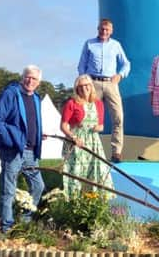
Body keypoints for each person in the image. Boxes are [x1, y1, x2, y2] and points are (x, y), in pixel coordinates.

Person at [0, 65, 46, 233]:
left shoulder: (36, 98)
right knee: (9, 190)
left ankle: (24, 221)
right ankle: (6, 227)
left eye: (34, 78)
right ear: (22, 78)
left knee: (38, 186)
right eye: (28, 77)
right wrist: (11, 140)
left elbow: (30, 122)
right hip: (13, 151)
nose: (30, 81)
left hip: (31, 151)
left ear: (39, 82)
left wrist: (37, 135)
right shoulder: (11, 94)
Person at [78, 18, 131, 162]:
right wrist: (84, 82)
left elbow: (126, 64)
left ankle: (116, 152)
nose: (104, 32)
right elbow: (81, 64)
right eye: (102, 29)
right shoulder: (89, 44)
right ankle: (87, 150)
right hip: (92, 83)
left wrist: (120, 75)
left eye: (107, 29)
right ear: (98, 29)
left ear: (111, 31)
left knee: (118, 117)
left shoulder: (116, 45)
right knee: (88, 117)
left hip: (110, 84)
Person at [60, 74, 114, 198]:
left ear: (91, 86)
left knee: (98, 169)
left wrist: (99, 128)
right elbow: (63, 126)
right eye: (81, 86)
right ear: (77, 89)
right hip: (76, 141)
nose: (84, 88)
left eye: (87, 85)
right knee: (77, 172)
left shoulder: (98, 103)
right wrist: (73, 138)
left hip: (93, 142)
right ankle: (74, 200)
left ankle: (96, 199)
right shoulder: (72, 103)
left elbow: (101, 125)